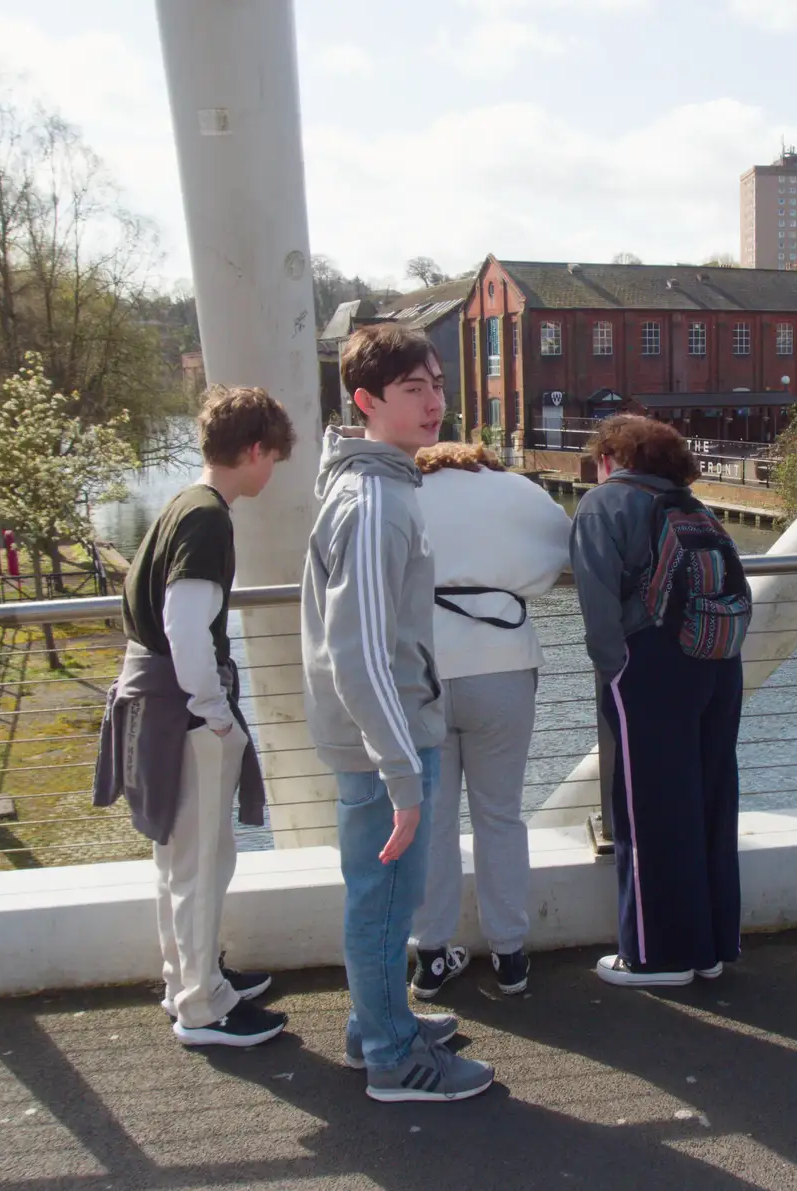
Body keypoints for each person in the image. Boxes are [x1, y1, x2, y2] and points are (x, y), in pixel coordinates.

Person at [300, 324, 494, 1102]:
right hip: (387, 743)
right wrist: (402, 773)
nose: (435, 402)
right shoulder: (377, 500)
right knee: (384, 903)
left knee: (382, 897)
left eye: (438, 384)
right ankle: (391, 1056)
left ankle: (376, 1026)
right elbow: (361, 653)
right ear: (366, 400)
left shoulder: (371, 485)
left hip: (382, 736)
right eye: (413, 388)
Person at [93, 384, 294, 1047]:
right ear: (255, 449)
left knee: (183, 858)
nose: (274, 471)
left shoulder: (183, 502)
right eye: (275, 457)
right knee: (202, 858)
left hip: (152, 698)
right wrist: (214, 712)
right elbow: (186, 625)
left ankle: (190, 975)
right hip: (181, 708)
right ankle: (203, 1006)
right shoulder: (208, 518)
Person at [570, 414, 751, 988]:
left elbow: (598, 602)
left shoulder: (605, 502)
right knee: (709, 802)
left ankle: (657, 958)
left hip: (651, 663)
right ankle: (712, 947)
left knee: (648, 811)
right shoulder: (696, 507)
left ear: (611, 458)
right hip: (718, 663)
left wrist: (613, 670)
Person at [408, 442, 572, 1000]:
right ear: (478, 459)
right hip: (500, 666)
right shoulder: (517, 491)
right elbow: (561, 548)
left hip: (423, 669)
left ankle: (431, 954)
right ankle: (509, 954)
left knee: (429, 820)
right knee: (500, 816)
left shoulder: (403, 490)